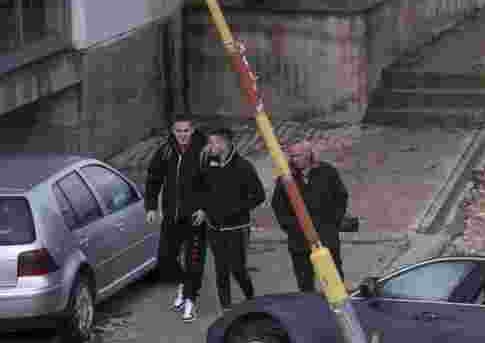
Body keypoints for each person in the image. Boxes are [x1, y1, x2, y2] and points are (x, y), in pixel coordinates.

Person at [145, 115, 208, 323]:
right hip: (171, 215)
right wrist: (151, 206)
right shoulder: (165, 151)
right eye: (178, 131)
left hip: (195, 217)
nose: (182, 135)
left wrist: (205, 208)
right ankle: (183, 283)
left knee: (193, 261)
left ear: (192, 130)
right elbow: (154, 178)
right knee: (165, 259)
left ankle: (190, 301)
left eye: (186, 131)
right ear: (173, 132)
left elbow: (214, 184)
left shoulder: (204, 150)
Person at [197, 128, 266, 310]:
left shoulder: (243, 166)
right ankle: (226, 307)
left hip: (237, 228)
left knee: (238, 268)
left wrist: (234, 210)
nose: (209, 147)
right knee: (220, 269)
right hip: (213, 227)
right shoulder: (208, 163)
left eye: (212, 143)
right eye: (209, 143)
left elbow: (259, 196)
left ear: (224, 144)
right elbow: (204, 189)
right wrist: (204, 209)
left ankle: (251, 299)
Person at [270, 141, 349, 293]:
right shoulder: (286, 178)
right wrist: (294, 228)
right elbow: (279, 208)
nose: (294, 159)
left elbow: (341, 197)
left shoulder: (327, 172)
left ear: (308, 154)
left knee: (334, 280)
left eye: (297, 155)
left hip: (326, 238)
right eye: (291, 156)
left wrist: (333, 222)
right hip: (299, 242)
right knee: (305, 283)